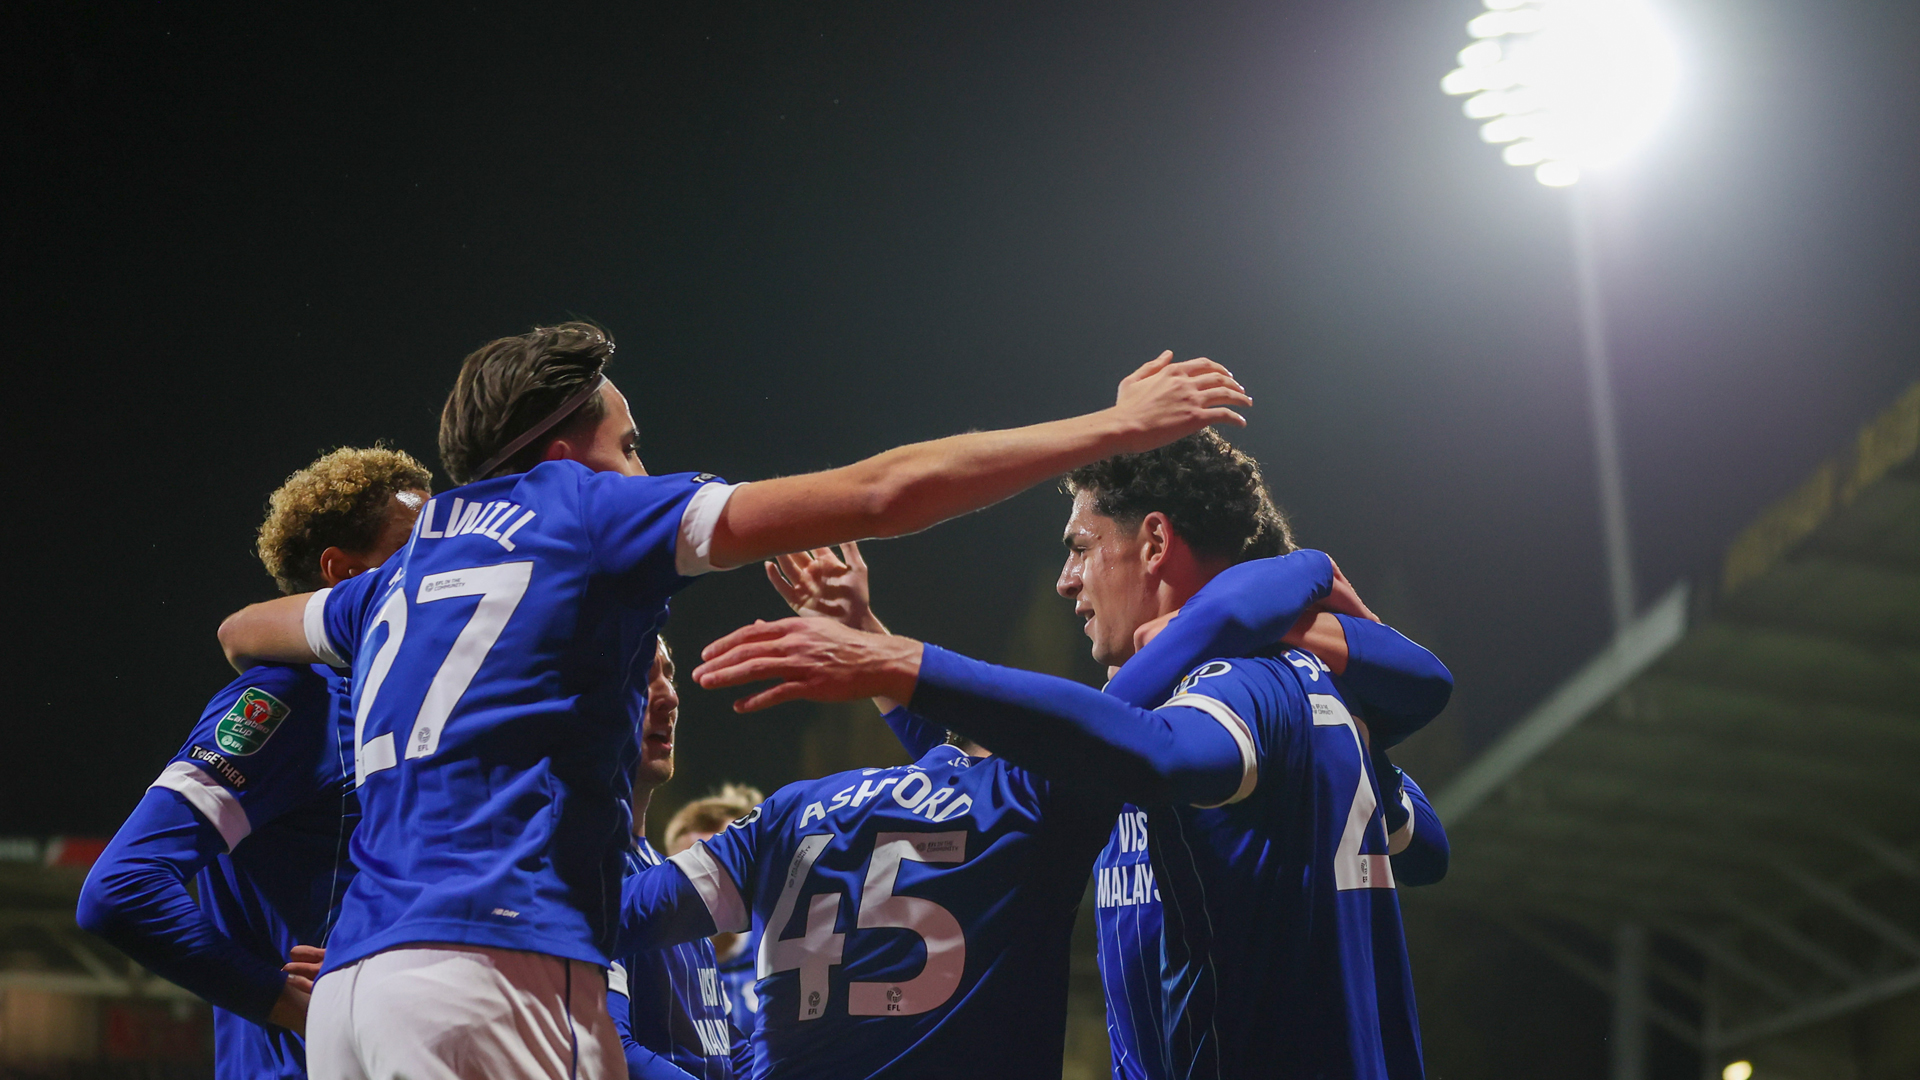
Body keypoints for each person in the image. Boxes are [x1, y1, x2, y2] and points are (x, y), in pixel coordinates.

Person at [213, 322, 1253, 1080]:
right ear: (564, 448)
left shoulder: (401, 573)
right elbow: (888, 490)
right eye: (629, 443)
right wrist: (1111, 428)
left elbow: (243, 630)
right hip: (494, 969)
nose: (642, 467)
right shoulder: (584, 513)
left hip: (353, 995)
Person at [691, 431, 1452, 1079]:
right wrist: (878, 649)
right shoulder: (1294, 694)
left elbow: (1158, 757)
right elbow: (1424, 844)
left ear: (1153, 541)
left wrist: (901, 662)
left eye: (1082, 548)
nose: (1066, 581)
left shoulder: (1234, 684)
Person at [78, 447, 431, 1079]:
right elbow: (122, 888)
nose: (439, 566)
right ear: (342, 574)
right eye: (414, 546)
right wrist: (286, 1002)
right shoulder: (295, 696)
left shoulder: (410, 714)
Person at [609, 642, 748, 1080]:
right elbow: (609, 1050)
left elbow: (720, 1039)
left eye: (668, 672)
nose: (669, 695)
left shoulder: (660, 869)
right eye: (640, 673)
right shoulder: (575, 867)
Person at [664, 784, 767, 1027]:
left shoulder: (781, 952)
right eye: (692, 874)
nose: (708, 887)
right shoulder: (656, 969)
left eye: (721, 868)